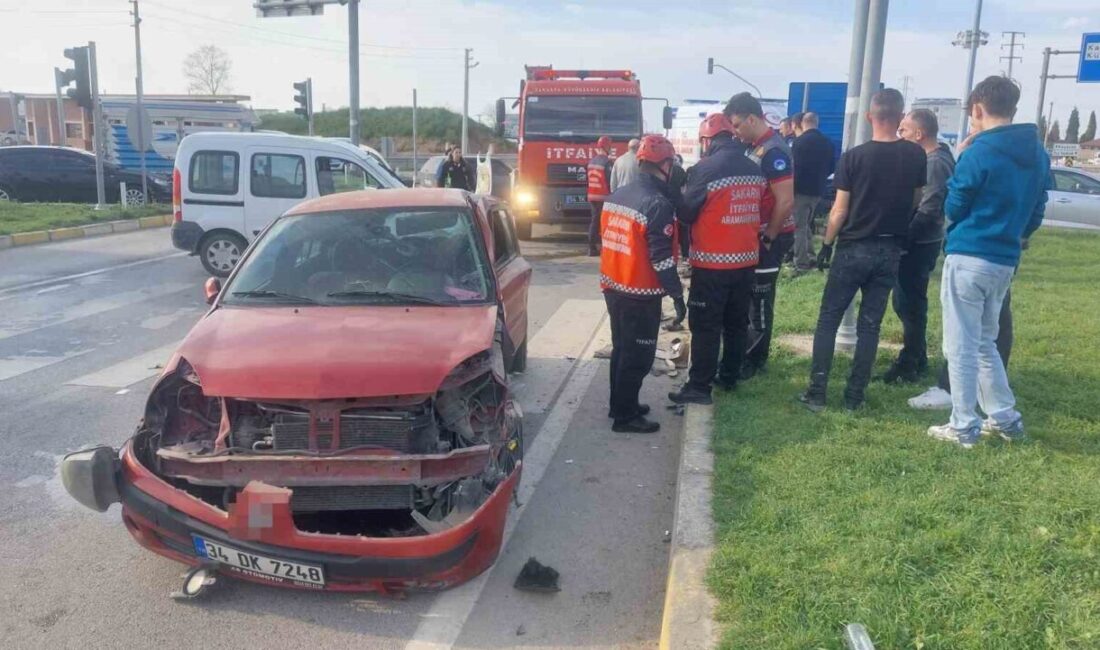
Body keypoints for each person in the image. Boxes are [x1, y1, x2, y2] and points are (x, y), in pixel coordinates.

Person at [926, 76, 1050, 449]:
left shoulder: (979, 151)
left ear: (977, 109)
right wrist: (1017, 234)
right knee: (984, 341)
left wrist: (963, 159)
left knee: (960, 345)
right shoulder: (1038, 152)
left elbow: (955, 204)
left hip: (969, 254)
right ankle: (1005, 417)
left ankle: (963, 424)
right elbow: (1038, 207)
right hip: (1004, 258)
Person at [798, 88, 926, 412]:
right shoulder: (915, 156)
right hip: (890, 249)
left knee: (829, 319)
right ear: (900, 118)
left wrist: (826, 244)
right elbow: (916, 199)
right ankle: (855, 396)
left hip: (853, 247)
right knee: (871, 325)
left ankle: (817, 392)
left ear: (870, 117)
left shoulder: (853, 157)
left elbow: (839, 210)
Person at [668, 114, 768, 405]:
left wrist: (676, 192)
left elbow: (687, 214)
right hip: (747, 262)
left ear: (707, 141)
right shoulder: (754, 168)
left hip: (713, 265)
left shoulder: (705, 169)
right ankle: (730, 376)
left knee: (706, 326)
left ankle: (699, 387)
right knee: (736, 323)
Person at [599, 134, 685, 434]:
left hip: (613, 286)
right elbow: (661, 259)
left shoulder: (617, 196)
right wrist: (677, 295)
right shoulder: (657, 203)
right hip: (639, 292)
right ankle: (625, 417)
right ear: (667, 165)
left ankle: (620, 404)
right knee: (639, 356)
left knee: (622, 349)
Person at [881, 109, 957, 384]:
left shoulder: (934, 162)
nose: (899, 134)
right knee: (906, 301)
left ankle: (911, 362)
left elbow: (929, 209)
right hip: (919, 240)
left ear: (919, 134)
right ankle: (917, 355)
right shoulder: (930, 158)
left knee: (909, 302)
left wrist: (903, 239)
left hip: (919, 243)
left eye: (903, 130)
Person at [724, 92, 795, 379]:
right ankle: (748, 353)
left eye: (738, 125)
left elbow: (785, 200)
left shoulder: (773, 151)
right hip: (759, 233)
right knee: (751, 297)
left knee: (761, 301)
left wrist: (769, 237)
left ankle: (755, 361)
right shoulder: (756, 147)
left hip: (771, 235)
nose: (736, 132)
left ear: (752, 118)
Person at [791, 111, 836, 271]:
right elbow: (832, 166)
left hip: (800, 189)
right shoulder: (828, 142)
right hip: (818, 189)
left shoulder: (799, 142)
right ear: (817, 123)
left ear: (803, 123)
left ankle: (801, 263)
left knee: (798, 227)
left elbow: (793, 168)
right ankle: (810, 255)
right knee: (806, 224)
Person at [586, 136, 614, 256]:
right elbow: (610, 181)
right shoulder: (607, 162)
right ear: (607, 147)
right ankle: (602, 248)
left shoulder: (591, 161)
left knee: (594, 222)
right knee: (604, 223)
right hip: (603, 197)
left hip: (592, 196)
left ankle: (592, 248)